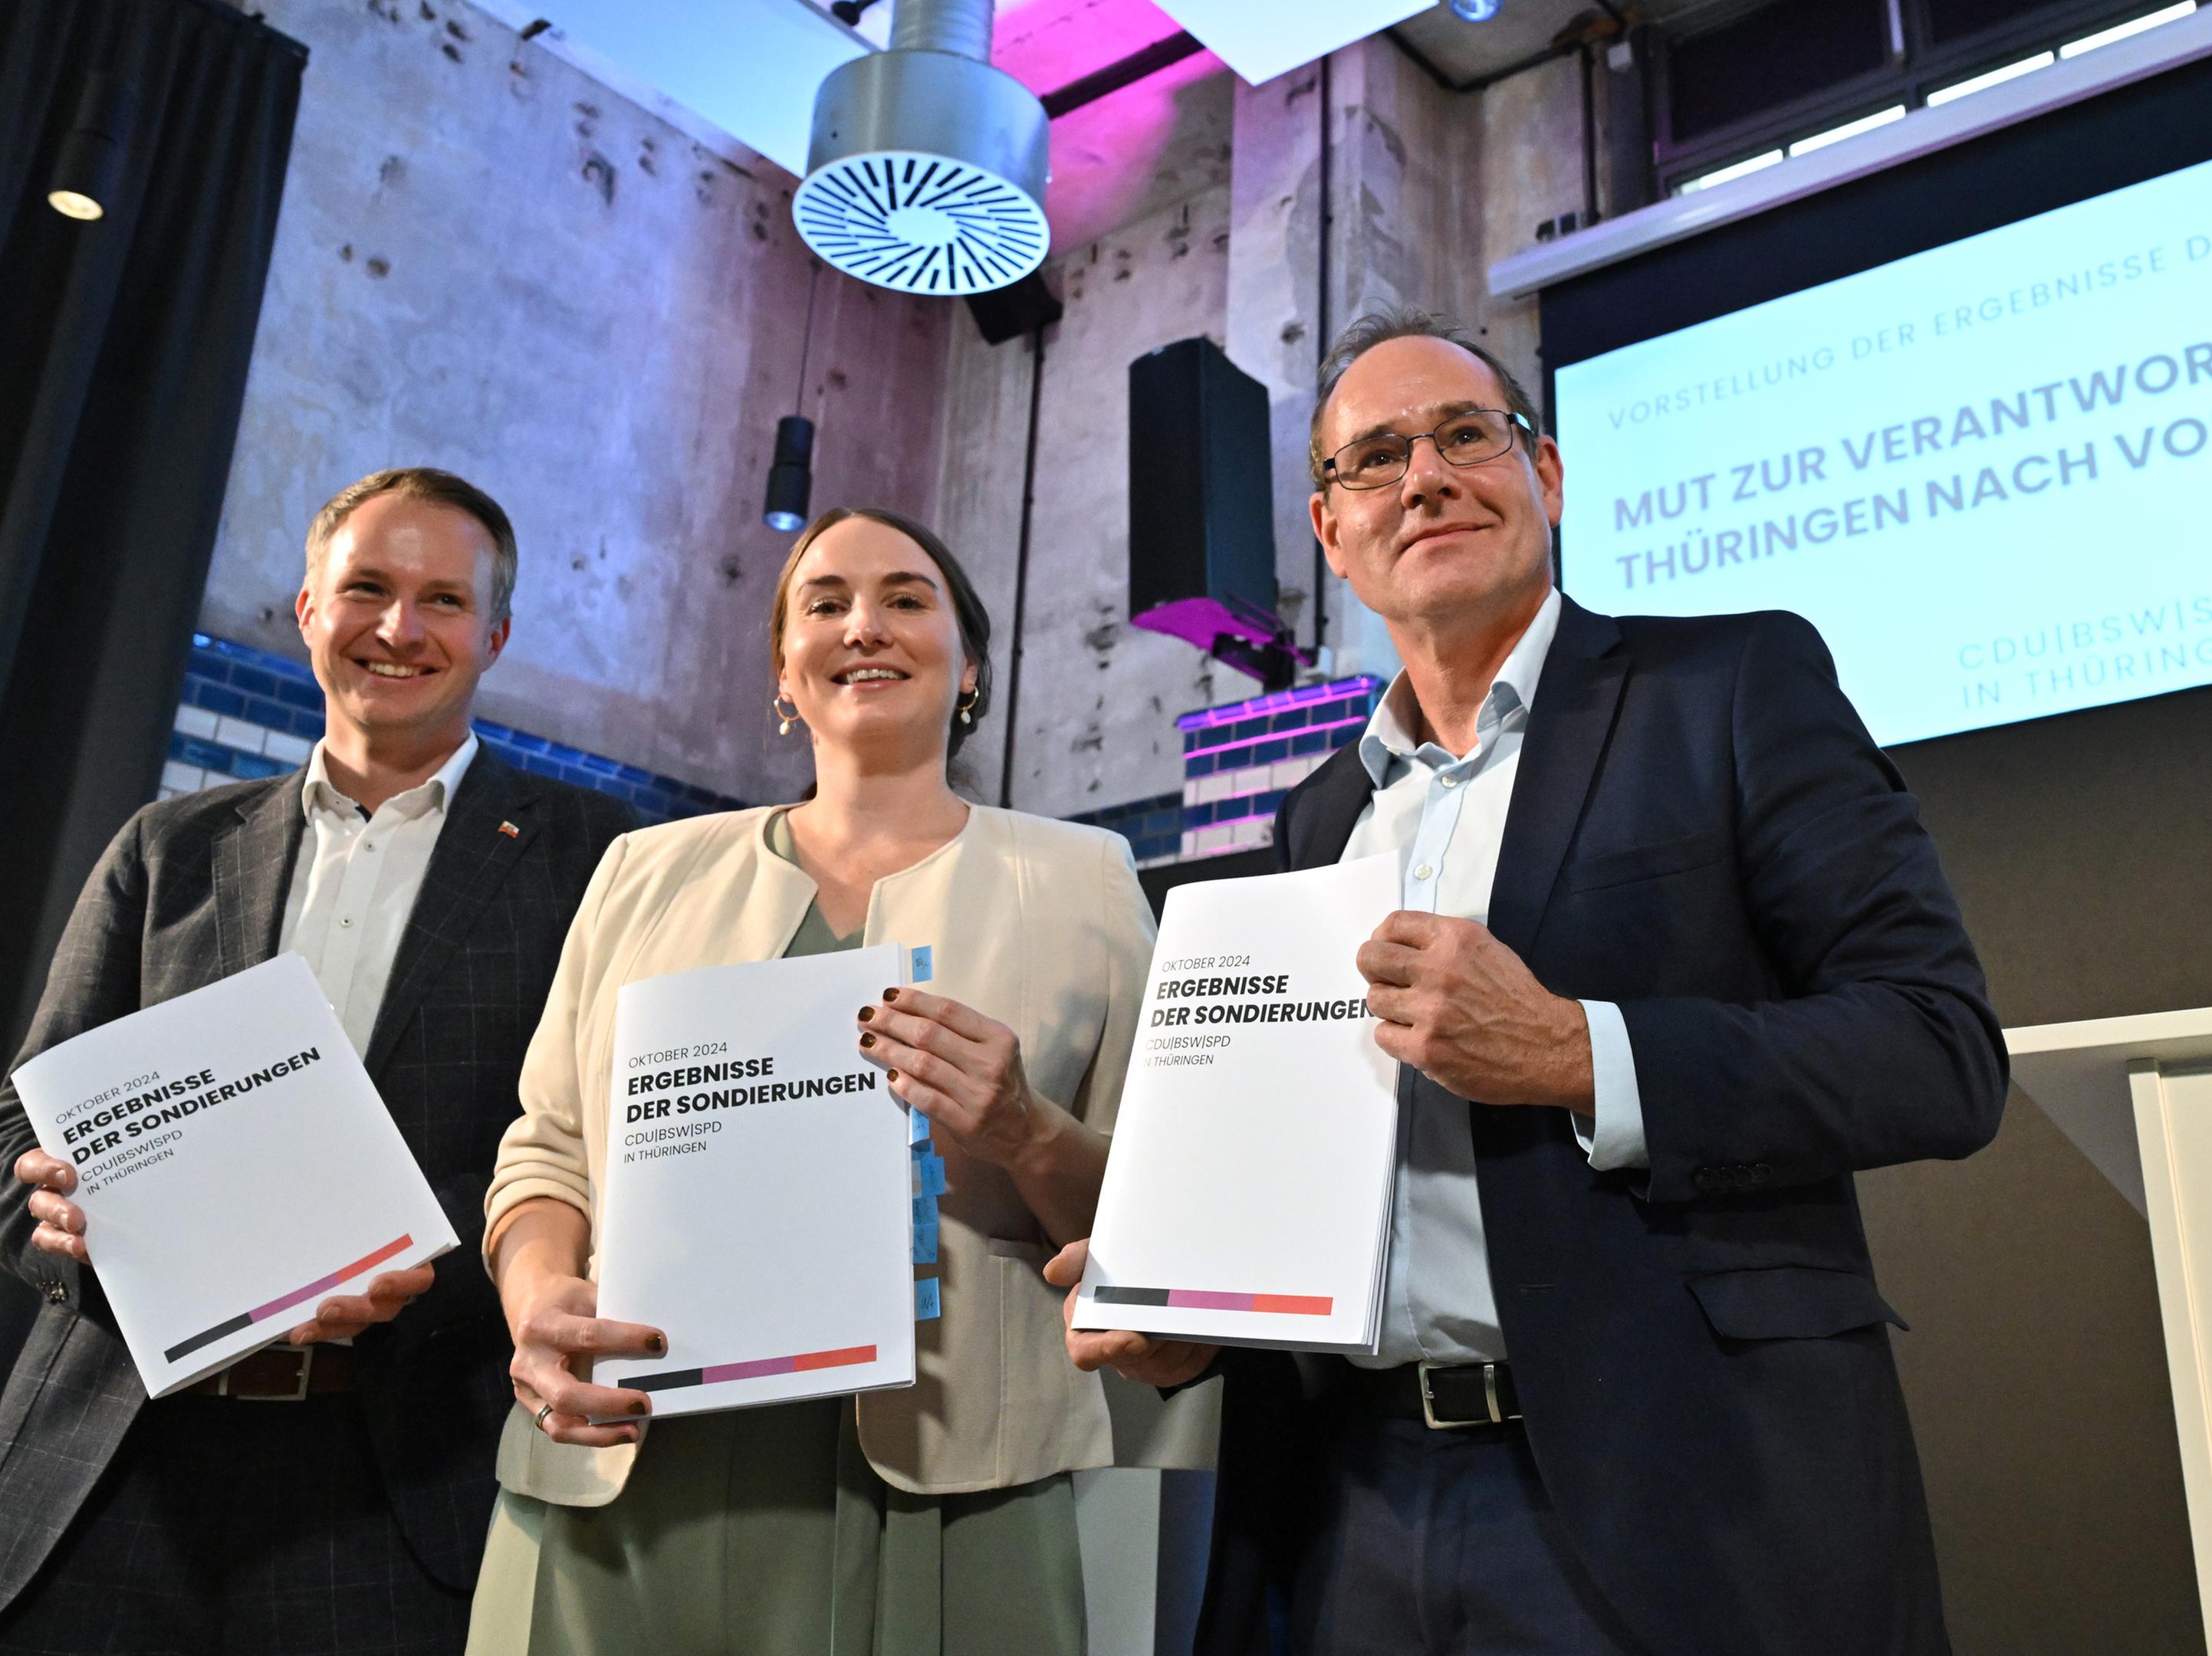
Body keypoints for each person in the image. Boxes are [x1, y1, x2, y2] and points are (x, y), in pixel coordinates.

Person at [1051, 310, 2010, 1656]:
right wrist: (1191, 1308)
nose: (1425, 478)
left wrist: (1579, 1052)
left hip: (1677, 1495)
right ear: (1332, 535)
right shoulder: (1316, 823)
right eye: (1374, 460)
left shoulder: (1727, 686)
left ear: (1544, 476)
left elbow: (1938, 1049)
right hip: (1350, 1504)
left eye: (1463, 436)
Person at [0, 468, 640, 1654]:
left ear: (496, 635)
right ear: (307, 609)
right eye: (364, 587)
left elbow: (599, 1157)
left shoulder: (596, 862)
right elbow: (10, 1143)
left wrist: (419, 1267)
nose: (399, 629)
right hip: (113, 1471)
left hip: (395, 1485)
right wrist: (54, 1224)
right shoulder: (169, 848)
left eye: (442, 601)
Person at [475, 505, 1202, 1656]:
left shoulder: (1085, 882)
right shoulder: (644, 872)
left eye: (907, 599)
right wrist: (536, 1301)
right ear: (783, 672)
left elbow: (1170, 1225)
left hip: (957, 1484)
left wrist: (1024, 1130)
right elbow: (550, 1145)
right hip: (635, 1460)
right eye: (824, 603)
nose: (864, 624)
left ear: (972, 665)